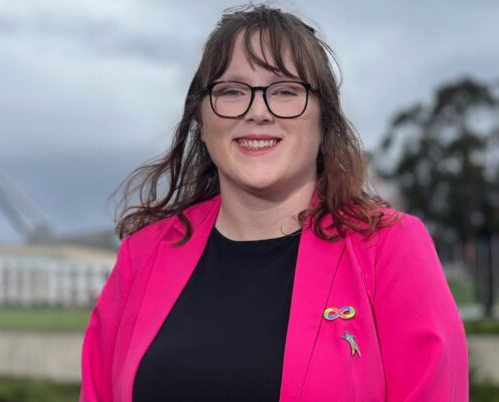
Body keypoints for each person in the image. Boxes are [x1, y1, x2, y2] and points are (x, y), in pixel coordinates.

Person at [80, 4, 468, 402]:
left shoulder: (387, 248)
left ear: (324, 118)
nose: (258, 111)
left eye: (285, 91)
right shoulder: (142, 255)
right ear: (201, 116)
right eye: (232, 91)